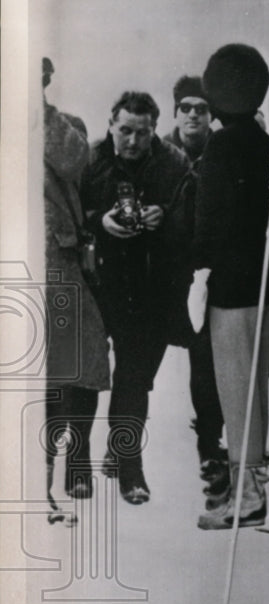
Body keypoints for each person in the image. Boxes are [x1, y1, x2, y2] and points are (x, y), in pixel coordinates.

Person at [188, 44, 269, 530]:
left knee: (236, 393)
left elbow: (206, 226)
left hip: (231, 290)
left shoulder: (221, 147)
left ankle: (247, 498)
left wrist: (198, 271)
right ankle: (252, 487)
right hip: (267, 285)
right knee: (255, 391)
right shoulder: (267, 144)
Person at [81, 91, 194, 504]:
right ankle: (81, 461)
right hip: (98, 284)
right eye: (124, 130)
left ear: (154, 130)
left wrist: (163, 215)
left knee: (134, 378)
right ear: (111, 124)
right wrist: (99, 221)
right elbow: (68, 215)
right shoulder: (90, 160)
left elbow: (190, 224)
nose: (132, 141)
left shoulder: (174, 163)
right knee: (88, 374)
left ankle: (129, 467)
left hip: (149, 289)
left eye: (141, 133)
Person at [42, 57, 110, 502]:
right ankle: (40, 465)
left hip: (60, 260)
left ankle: (79, 456)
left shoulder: (61, 126)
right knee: (35, 371)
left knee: (82, 362)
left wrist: (39, 111)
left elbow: (74, 160)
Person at [164, 76, 228, 504]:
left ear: (212, 115)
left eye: (201, 108)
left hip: (206, 270)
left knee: (206, 360)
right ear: (175, 112)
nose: (192, 114)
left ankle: (210, 446)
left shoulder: (222, 154)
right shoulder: (161, 154)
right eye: (185, 106)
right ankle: (121, 446)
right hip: (165, 272)